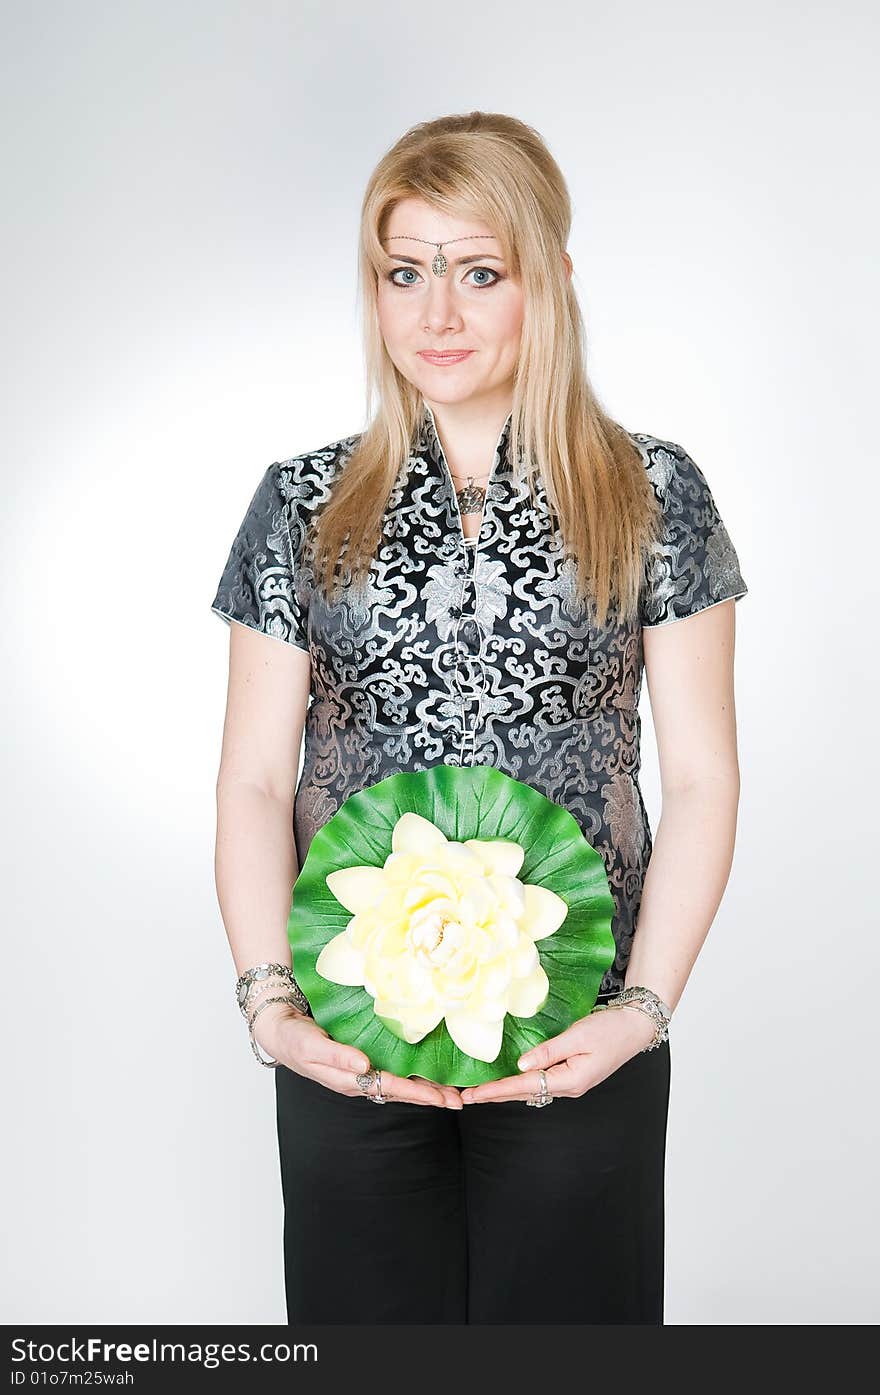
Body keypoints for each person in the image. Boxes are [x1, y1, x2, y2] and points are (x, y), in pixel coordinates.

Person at [210, 111, 748, 1325]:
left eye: (476, 271)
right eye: (404, 272)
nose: (435, 313)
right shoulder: (301, 501)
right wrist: (274, 1011)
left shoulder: (651, 490)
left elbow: (702, 778)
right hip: (348, 1043)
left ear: (547, 279)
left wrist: (640, 1016)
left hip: (583, 1035)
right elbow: (251, 781)